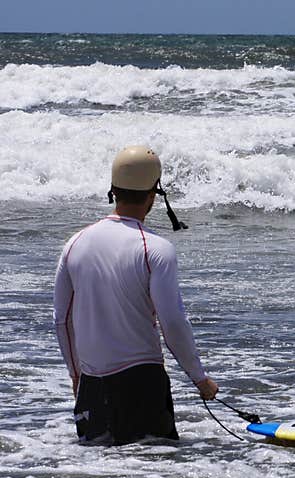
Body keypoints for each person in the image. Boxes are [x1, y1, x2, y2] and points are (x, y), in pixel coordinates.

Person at [53, 145, 219, 445]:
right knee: (155, 474)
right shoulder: (154, 248)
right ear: (154, 194)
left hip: (91, 384)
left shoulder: (75, 243)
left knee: (97, 477)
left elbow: (62, 320)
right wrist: (200, 379)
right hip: (141, 382)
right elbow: (172, 323)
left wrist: (76, 376)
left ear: (113, 190)